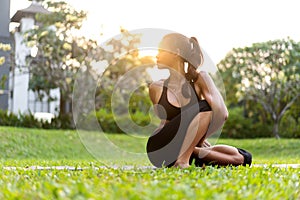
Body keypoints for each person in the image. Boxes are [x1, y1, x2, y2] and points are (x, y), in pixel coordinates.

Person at [146, 33, 252, 169]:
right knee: (206, 107)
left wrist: (197, 139)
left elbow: (222, 113)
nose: (156, 55)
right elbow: (165, 123)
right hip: (160, 146)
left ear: (176, 52)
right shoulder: (156, 88)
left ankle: (186, 154)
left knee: (242, 158)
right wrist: (195, 139)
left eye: (161, 50)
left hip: (182, 148)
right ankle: (182, 161)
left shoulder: (199, 79)